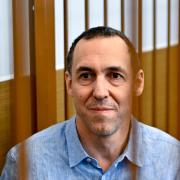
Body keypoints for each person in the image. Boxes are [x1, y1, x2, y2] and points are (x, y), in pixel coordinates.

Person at [1, 26, 179, 180]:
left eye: (115, 76)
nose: (100, 92)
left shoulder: (172, 159)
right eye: (86, 76)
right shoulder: (26, 163)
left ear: (137, 84)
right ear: (69, 84)